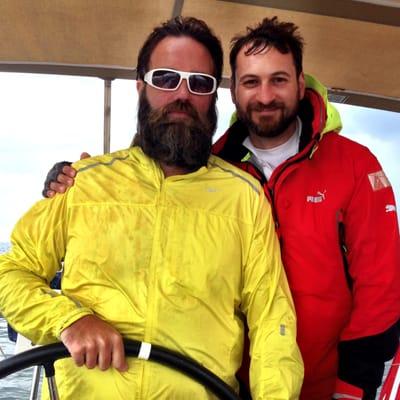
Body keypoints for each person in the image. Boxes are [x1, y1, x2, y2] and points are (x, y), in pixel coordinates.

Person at [45, 16, 400, 400]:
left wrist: (352, 389)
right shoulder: (209, 166)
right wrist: (67, 178)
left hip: (330, 384)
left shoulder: (354, 165)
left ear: (300, 83)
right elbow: (147, 175)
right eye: (251, 82)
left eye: (278, 80)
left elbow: (382, 288)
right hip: (227, 384)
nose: (265, 96)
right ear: (233, 92)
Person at [0, 16, 303, 399]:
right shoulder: (84, 182)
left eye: (199, 83)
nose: (182, 94)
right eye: (165, 78)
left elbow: (272, 321)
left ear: (214, 96)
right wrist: (68, 320)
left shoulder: (246, 198)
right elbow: (10, 271)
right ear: (140, 85)